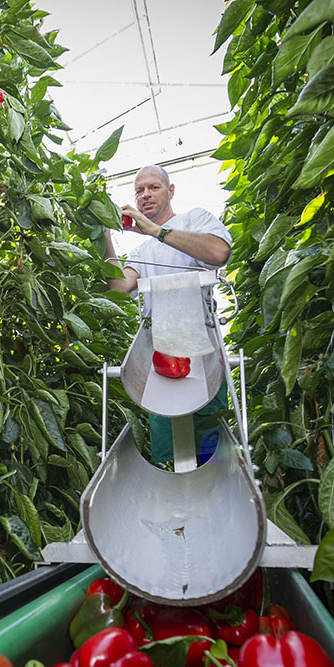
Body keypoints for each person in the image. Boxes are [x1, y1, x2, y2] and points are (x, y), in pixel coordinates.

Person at [103, 165, 233, 465]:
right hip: (161, 358)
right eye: (139, 191)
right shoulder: (142, 251)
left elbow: (219, 253)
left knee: (211, 446)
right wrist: (105, 233)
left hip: (202, 354)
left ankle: (212, 496)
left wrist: (157, 231)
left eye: (153, 187)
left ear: (170, 191)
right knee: (170, 448)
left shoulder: (195, 220)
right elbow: (120, 287)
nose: (145, 195)